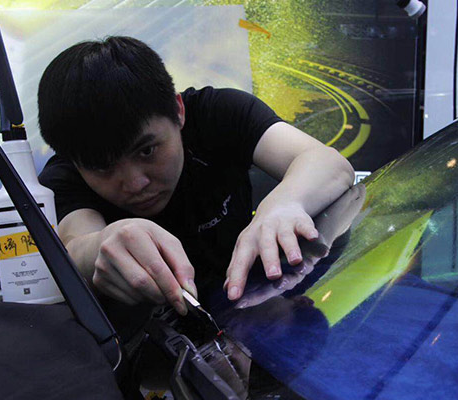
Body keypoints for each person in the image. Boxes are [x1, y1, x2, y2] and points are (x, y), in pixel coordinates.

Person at [38, 36, 354, 316]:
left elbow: (328, 163)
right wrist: (101, 245)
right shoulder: (63, 179)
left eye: (147, 151)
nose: (136, 184)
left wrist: (283, 205)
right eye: (103, 168)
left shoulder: (217, 113)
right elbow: (74, 244)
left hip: (260, 306)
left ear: (178, 111)